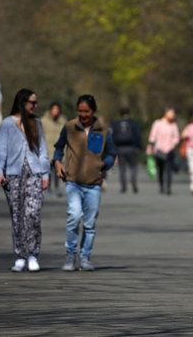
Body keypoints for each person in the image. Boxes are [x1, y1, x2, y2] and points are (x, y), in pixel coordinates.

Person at [53, 94, 116, 271]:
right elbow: (58, 147)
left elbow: (111, 153)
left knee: (89, 224)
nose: (83, 114)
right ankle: (70, 256)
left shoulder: (103, 130)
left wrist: (105, 164)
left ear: (93, 111)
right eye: (80, 111)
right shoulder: (70, 127)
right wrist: (57, 162)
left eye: (86, 111)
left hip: (94, 184)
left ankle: (85, 257)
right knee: (74, 216)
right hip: (73, 182)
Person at [0, 88, 50, 272]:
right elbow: (1, 149)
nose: (35, 106)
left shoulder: (37, 123)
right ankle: (20, 255)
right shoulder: (7, 124)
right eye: (32, 102)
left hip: (34, 172)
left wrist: (45, 174)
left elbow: (43, 149)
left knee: (32, 214)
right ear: (22, 102)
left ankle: (33, 254)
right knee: (17, 214)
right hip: (12, 174)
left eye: (36, 102)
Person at [146, 107, 180, 195]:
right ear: (165, 113)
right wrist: (149, 147)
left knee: (169, 169)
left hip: (170, 150)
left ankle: (168, 187)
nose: (173, 115)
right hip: (159, 150)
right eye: (171, 113)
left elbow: (177, 137)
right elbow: (153, 136)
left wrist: (173, 143)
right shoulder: (157, 123)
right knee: (160, 169)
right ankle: (161, 185)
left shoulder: (174, 125)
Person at [111, 107, 142, 193]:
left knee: (122, 168)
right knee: (133, 166)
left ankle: (124, 187)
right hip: (131, 147)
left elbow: (112, 136)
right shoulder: (133, 123)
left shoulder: (116, 124)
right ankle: (133, 179)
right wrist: (138, 146)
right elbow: (138, 135)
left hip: (120, 148)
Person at [41, 101, 67, 197]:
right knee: (48, 171)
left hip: (58, 149)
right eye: (54, 109)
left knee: (57, 171)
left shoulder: (63, 121)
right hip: (47, 149)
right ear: (50, 110)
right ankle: (47, 187)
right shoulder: (43, 121)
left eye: (57, 109)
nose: (55, 111)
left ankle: (57, 187)